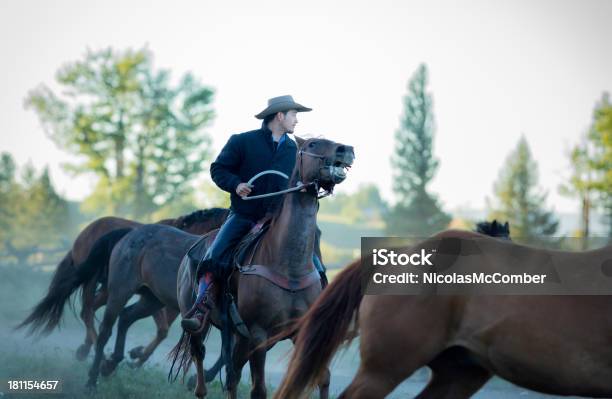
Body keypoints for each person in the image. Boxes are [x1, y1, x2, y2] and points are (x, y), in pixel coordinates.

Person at [181, 95, 327, 332]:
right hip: (244, 214)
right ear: (280, 116)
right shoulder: (242, 141)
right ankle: (201, 308)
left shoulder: (296, 150)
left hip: (281, 220)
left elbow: (303, 180)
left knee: (315, 262)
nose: (296, 121)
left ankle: (321, 308)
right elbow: (218, 169)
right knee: (214, 255)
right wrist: (236, 184)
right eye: (294, 115)